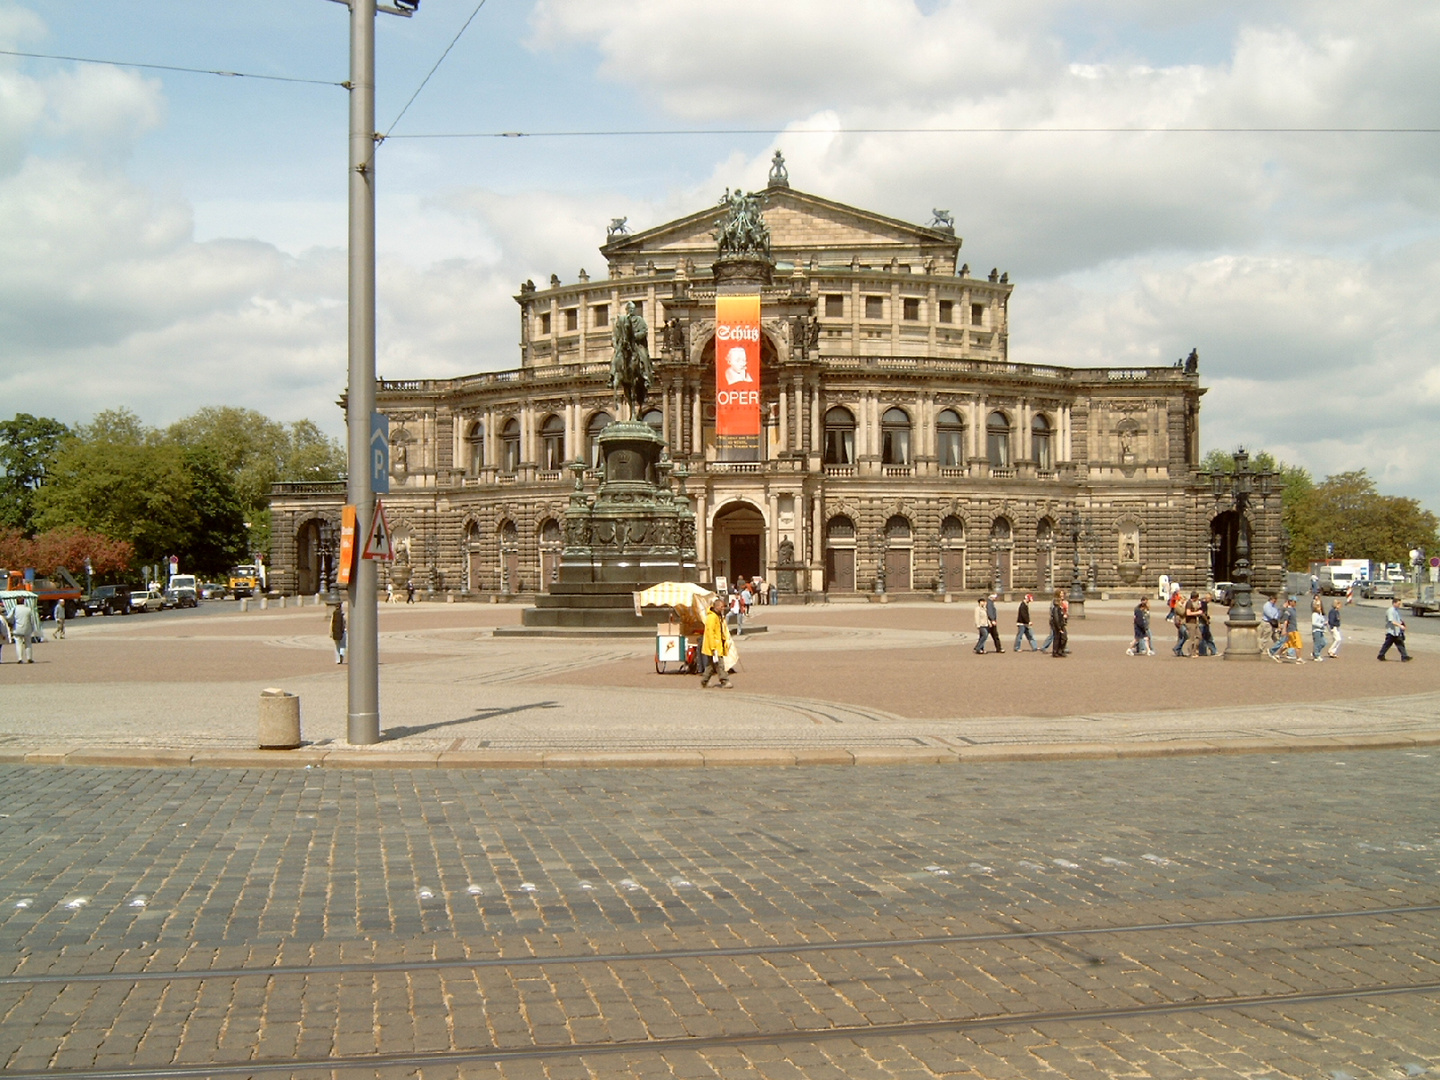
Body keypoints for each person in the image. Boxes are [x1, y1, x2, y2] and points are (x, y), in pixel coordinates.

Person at [699, 597, 733, 688]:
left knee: (711, 665)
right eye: (722, 607)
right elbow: (710, 633)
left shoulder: (718, 617)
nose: (723, 608)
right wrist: (713, 647)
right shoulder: (712, 617)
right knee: (719, 664)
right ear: (717, 607)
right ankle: (724, 681)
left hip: (718, 644)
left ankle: (704, 681)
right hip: (714, 646)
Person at [1270, 597, 1304, 663]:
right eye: (1294, 602)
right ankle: (1299, 658)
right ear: (1290, 602)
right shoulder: (1288, 611)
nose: (1295, 603)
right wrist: (1284, 630)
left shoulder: (1293, 610)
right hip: (1292, 630)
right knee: (1298, 644)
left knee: (1287, 644)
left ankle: (1277, 655)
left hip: (1293, 628)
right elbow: (1285, 621)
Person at [12, 599, 40, 664]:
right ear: (24, 602)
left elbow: (10, 617)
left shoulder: (15, 609)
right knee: (28, 644)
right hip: (27, 629)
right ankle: (29, 658)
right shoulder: (28, 609)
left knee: (18, 644)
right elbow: (32, 620)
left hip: (17, 629)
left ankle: (20, 658)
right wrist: (33, 628)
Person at [1048, 589, 1069, 657]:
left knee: (1062, 637)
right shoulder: (1055, 606)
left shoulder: (1062, 604)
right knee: (1056, 637)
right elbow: (1055, 616)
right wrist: (1059, 626)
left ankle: (1060, 650)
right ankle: (1056, 651)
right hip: (1056, 624)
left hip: (1061, 623)